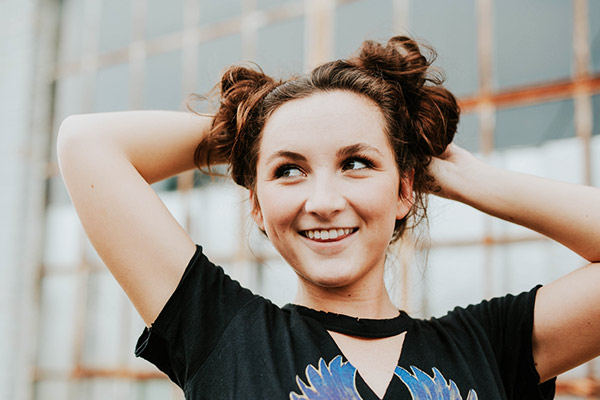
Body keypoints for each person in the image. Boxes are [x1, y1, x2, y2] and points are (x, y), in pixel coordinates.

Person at [57, 36, 600, 399]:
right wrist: (253, 127)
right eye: (289, 170)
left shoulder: (490, 345)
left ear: (405, 189)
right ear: (257, 205)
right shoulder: (223, 334)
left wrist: (476, 182)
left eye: (356, 163)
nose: (322, 200)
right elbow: (87, 144)